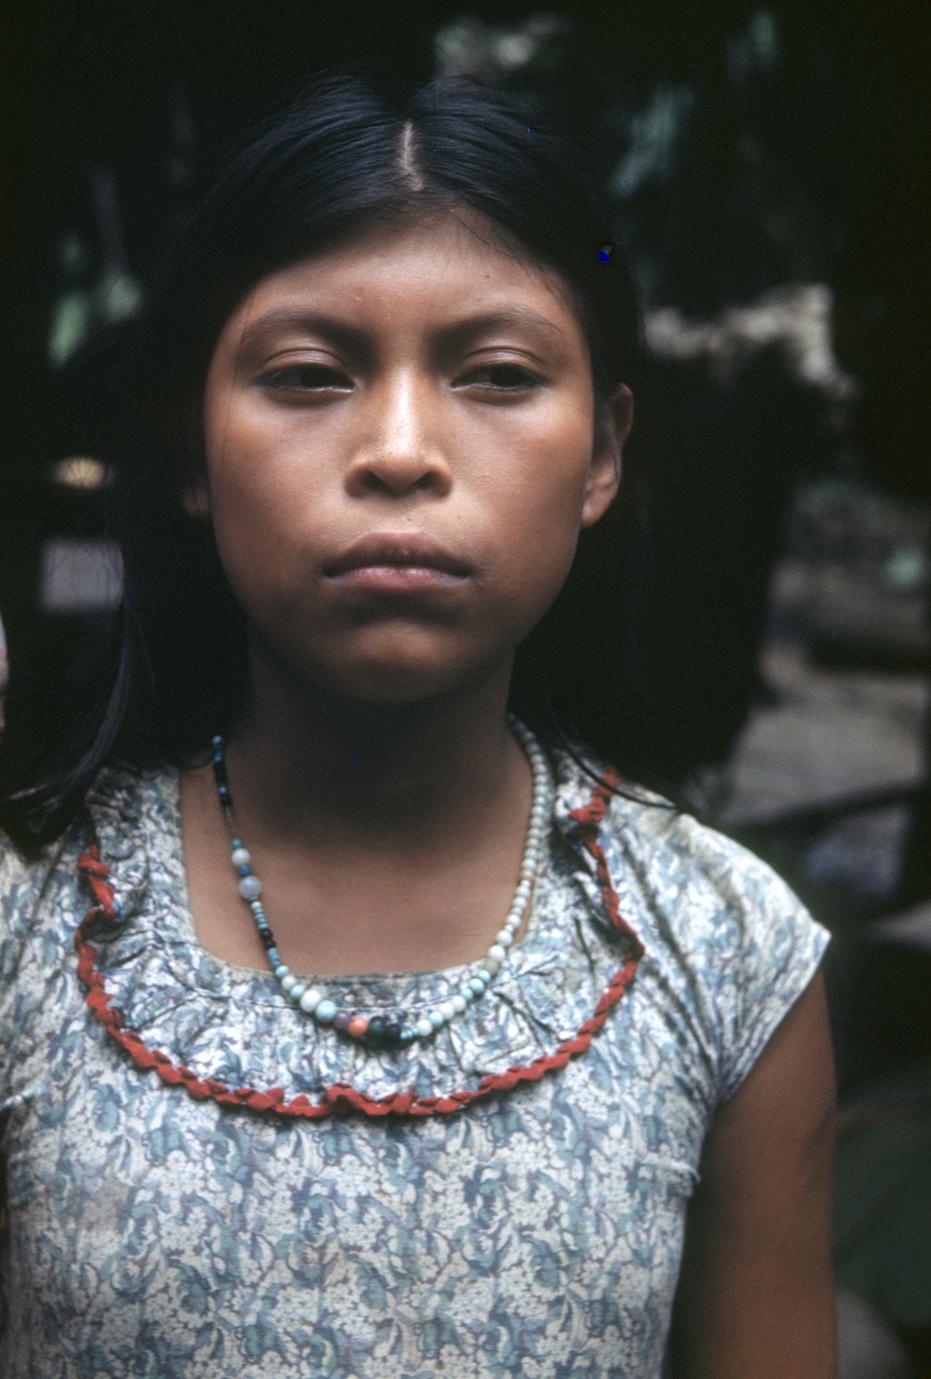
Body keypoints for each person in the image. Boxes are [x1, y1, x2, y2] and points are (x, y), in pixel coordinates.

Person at [0, 66, 836, 1378]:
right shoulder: (28, 929)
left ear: (605, 456)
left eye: (496, 374)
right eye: (309, 374)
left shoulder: (729, 958)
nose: (400, 448)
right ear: (187, 455)